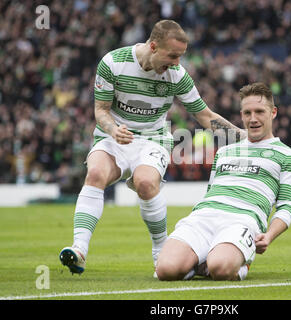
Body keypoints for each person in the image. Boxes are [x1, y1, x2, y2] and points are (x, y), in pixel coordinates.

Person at [59, 20, 245, 275]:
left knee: (146, 183)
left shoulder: (177, 75)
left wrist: (245, 136)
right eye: (173, 55)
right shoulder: (113, 62)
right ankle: (79, 249)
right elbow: (100, 111)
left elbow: (204, 116)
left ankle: (161, 252)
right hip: (113, 135)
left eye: (181, 56)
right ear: (153, 46)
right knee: (95, 175)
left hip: (152, 138)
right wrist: (113, 129)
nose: (177, 62)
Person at [156, 82, 291, 281]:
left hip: (242, 220)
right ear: (241, 115)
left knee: (221, 269)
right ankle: (201, 261)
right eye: (247, 113)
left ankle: (232, 264)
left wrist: (268, 236)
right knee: (165, 270)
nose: (253, 119)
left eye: (260, 111)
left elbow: (287, 207)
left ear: (273, 112)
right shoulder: (225, 151)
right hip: (204, 216)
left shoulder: (289, 156)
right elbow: (211, 191)